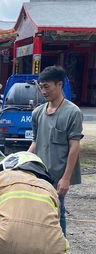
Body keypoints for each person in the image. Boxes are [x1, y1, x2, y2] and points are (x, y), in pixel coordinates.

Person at [28, 66, 83, 236]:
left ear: (59, 84)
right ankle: (41, 246)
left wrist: (66, 178)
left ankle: (60, 250)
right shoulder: (37, 113)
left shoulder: (72, 112)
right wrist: (22, 161)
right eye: (41, 87)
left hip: (58, 175)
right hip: (38, 173)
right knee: (35, 210)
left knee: (57, 210)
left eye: (47, 87)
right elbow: (36, 142)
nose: (43, 91)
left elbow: (74, 146)